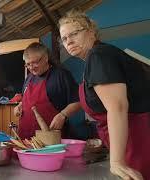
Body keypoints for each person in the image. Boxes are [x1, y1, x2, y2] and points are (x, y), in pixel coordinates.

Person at [59, 9, 150, 180]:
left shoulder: (99, 56)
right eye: (64, 38)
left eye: (74, 34)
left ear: (91, 31)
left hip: (138, 140)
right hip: (129, 139)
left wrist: (117, 161)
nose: (69, 41)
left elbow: (118, 107)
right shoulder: (98, 56)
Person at [13, 42, 81, 139]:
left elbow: (78, 101)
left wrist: (63, 115)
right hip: (26, 140)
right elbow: (26, 100)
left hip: (51, 140)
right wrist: (19, 106)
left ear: (46, 58)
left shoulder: (61, 75)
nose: (31, 68)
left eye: (35, 62)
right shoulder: (29, 78)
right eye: (28, 64)